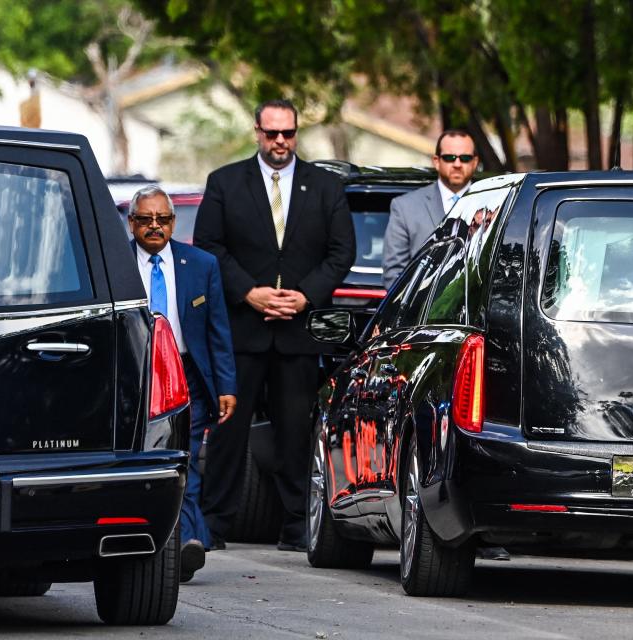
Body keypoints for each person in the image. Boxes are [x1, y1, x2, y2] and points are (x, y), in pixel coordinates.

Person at [194, 99, 356, 552]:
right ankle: (213, 524)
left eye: (288, 133)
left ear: (296, 134)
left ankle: (296, 525)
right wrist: (249, 292)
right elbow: (209, 245)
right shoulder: (225, 182)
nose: (280, 142)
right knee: (228, 430)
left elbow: (342, 252)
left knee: (295, 431)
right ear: (257, 133)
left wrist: (305, 295)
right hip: (242, 329)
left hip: (297, 331)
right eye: (272, 134)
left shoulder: (325, 186)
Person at [127, 185, 237, 582]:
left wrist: (226, 386)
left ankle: (187, 541)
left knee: (184, 457)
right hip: (135, 374)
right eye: (145, 219)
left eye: (162, 219)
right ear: (132, 222)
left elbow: (217, 331)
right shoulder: (115, 263)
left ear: (174, 223)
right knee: (146, 458)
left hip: (186, 374)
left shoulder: (201, 264)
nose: (154, 227)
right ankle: (164, 543)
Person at [382, 129, 479, 289]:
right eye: (449, 158)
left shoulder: (494, 204)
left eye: (465, 158)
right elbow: (394, 275)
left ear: (475, 162)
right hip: (420, 311)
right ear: (436, 161)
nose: (457, 164)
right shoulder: (405, 207)